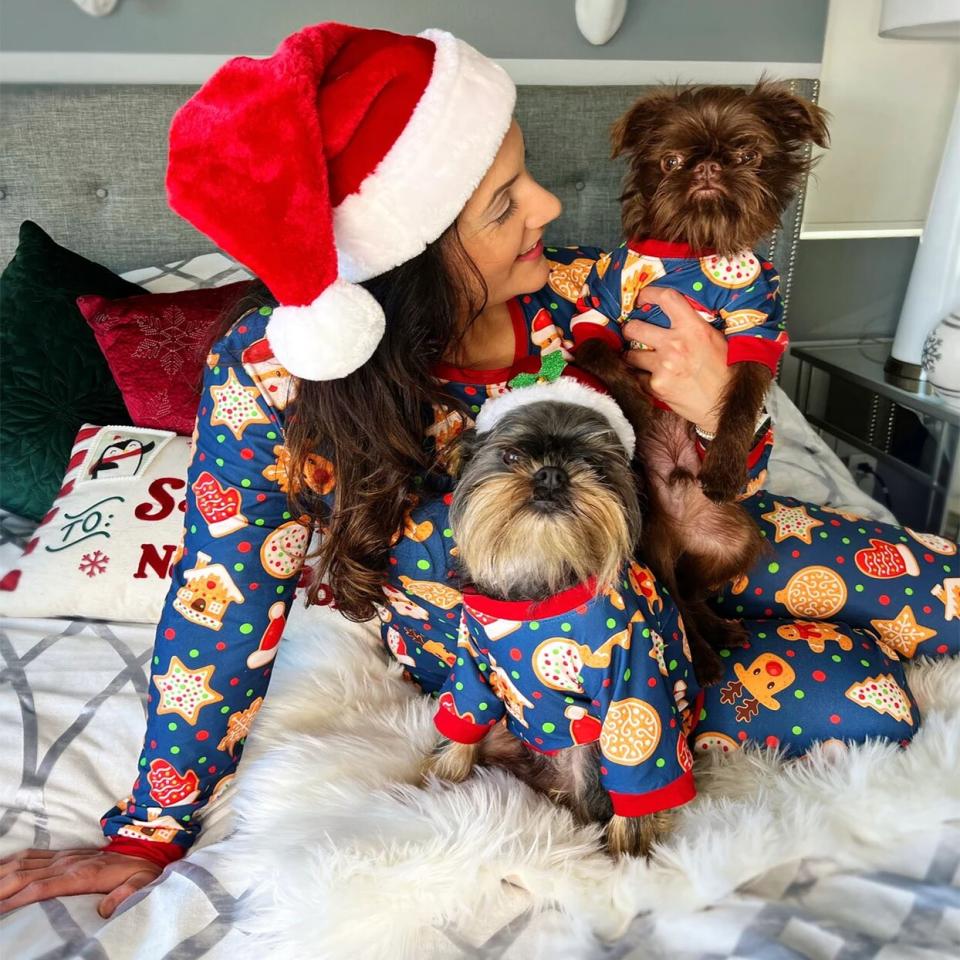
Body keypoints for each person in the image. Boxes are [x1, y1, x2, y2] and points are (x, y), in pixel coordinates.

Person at [2, 21, 955, 920]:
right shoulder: (276, 377)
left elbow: (717, 473)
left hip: (672, 537)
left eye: (526, 172)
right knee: (867, 702)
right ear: (406, 256)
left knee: (926, 577)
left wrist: (719, 410)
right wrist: (151, 830)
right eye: (505, 202)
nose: (547, 206)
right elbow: (222, 597)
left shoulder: (592, 294)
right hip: (529, 643)